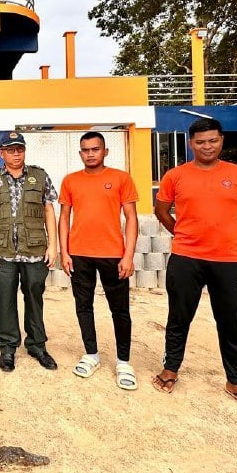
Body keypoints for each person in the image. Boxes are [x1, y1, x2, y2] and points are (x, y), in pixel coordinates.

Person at [152, 118, 237, 415]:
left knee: (230, 323)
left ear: (221, 141)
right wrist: (180, 233)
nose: (207, 146)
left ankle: (236, 382)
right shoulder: (176, 176)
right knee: (179, 318)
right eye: (201, 142)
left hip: (227, 260)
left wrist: (227, 234)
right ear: (191, 144)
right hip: (186, 258)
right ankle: (170, 369)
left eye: (212, 140)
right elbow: (161, 210)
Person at [58, 132, 139, 390]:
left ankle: (124, 362)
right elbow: (63, 218)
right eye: (85, 150)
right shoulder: (70, 181)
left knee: (120, 310)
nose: (90, 153)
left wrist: (128, 255)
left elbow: (131, 218)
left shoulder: (121, 179)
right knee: (84, 306)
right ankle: (91, 354)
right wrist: (64, 251)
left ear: (105, 151)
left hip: (113, 255)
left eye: (95, 149)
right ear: (80, 153)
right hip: (80, 254)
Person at [0, 131, 59, 373]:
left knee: (35, 297)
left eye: (20, 149)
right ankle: (7, 347)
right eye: (11, 149)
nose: (16, 153)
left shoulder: (40, 176)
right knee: (5, 300)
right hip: (3, 252)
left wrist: (53, 245)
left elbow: (49, 211)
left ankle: (37, 345)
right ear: (1, 153)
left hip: (35, 250)